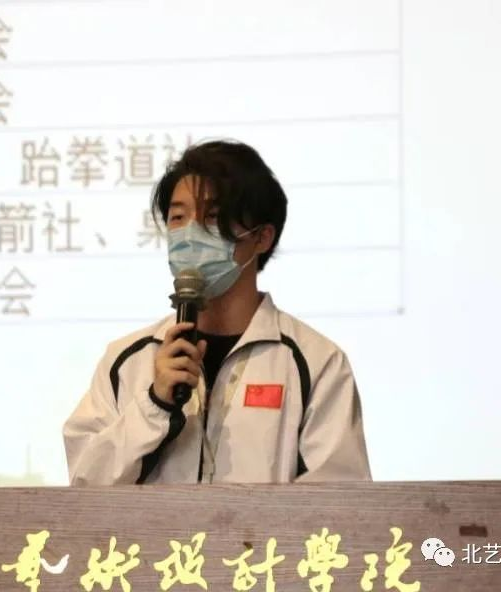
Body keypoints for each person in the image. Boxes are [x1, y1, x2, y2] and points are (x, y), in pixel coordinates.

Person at [63, 140, 370, 485]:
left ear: (262, 237)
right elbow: (85, 486)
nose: (190, 234)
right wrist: (155, 405)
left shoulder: (316, 362)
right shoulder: (127, 360)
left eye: (211, 216)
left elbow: (339, 501)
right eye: (178, 218)